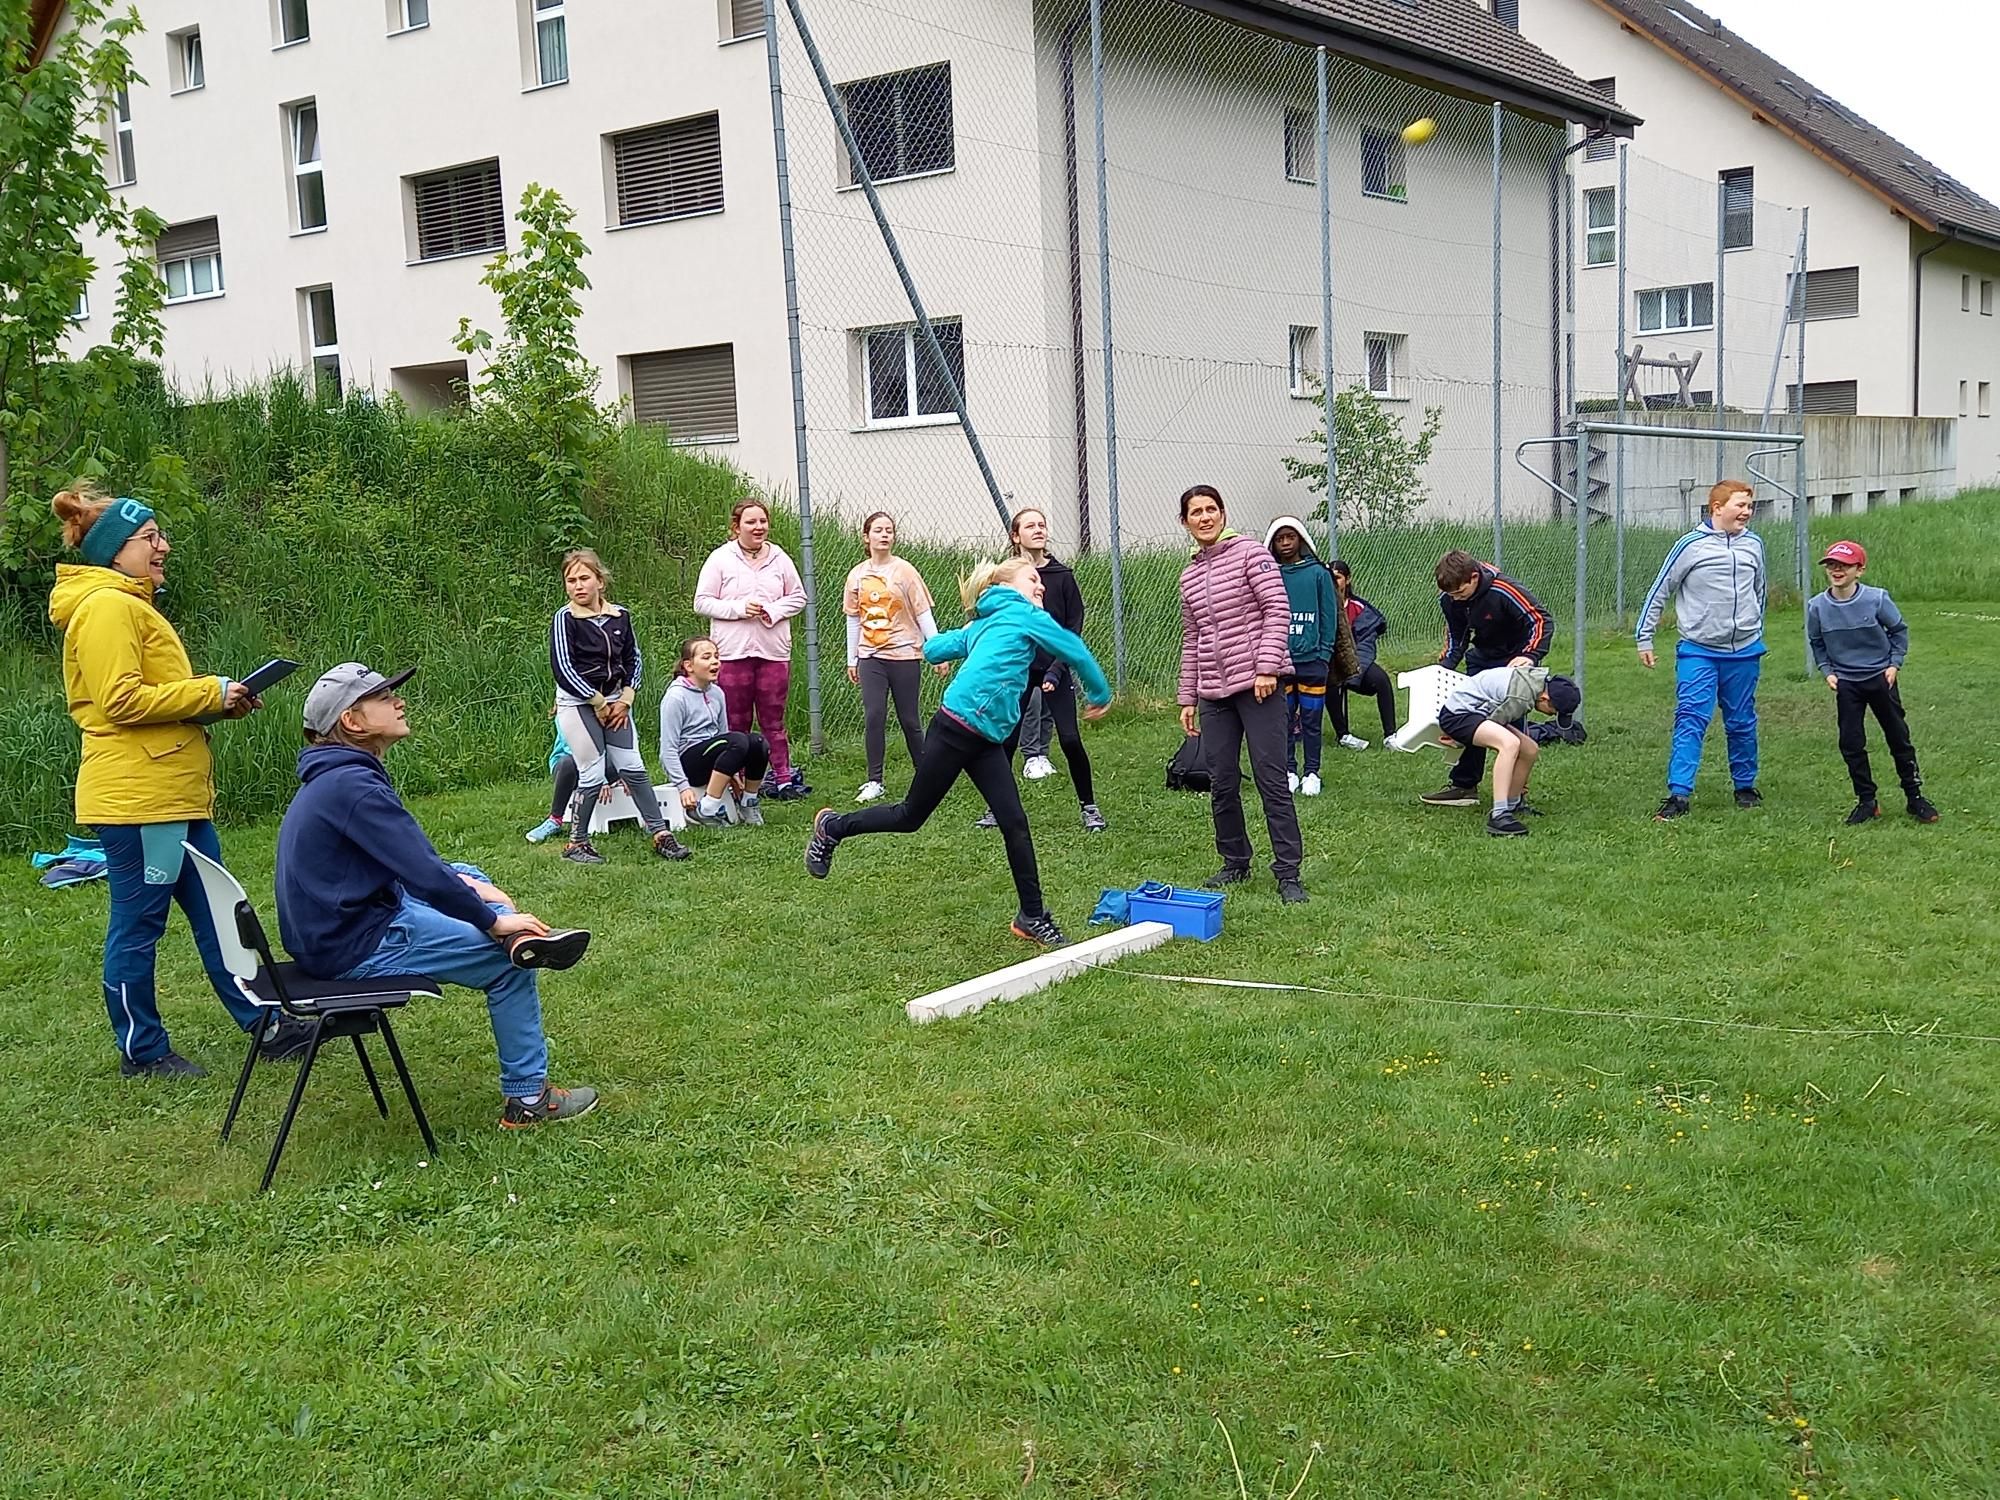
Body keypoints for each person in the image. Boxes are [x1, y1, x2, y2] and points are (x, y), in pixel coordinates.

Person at [48, 483, 311, 1079]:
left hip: (173, 795)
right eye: (150, 539)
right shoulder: (106, 608)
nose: (163, 546)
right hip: (140, 803)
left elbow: (153, 699)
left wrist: (218, 704)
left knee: (222, 913)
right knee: (139, 925)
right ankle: (142, 1051)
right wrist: (208, 690)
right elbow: (118, 701)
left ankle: (268, 1025)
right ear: (117, 552)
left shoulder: (130, 604)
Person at [276, 663, 598, 1128]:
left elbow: (413, 865)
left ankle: (506, 932)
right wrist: (491, 919)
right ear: (353, 721)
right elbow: (422, 872)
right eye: (384, 698)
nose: (399, 702)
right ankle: (529, 1098)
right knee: (509, 968)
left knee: (464, 873)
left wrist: (471, 888)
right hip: (353, 940)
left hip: (347, 920)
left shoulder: (338, 777)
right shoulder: (352, 786)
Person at [804, 556, 1112, 948]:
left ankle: (1031, 915)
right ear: (1008, 587)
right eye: (1033, 580)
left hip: (985, 739)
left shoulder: (990, 622)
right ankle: (832, 827)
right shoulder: (1022, 616)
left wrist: (963, 636)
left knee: (1014, 822)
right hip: (955, 728)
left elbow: (934, 650)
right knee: (910, 816)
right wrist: (1099, 693)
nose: (1041, 587)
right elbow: (1073, 649)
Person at [1176, 485, 1306, 901]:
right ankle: (1235, 862)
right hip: (1214, 692)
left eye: (1211, 509)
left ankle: (1288, 873)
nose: (1204, 517)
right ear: (1186, 522)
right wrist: (1188, 696)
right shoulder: (1190, 576)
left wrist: (1267, 667)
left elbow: (1277, 609)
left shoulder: (1251, 554)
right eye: (1195, 512)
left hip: (1258, 686)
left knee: (1271, 779)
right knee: (1222, 780)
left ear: (1223, 513)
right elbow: (1192, 636)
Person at [1635, 479, 1767, 821]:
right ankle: (1679, 794)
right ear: (1717, 507)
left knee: (1741, 722)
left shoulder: (1754, 544)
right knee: (1691, 719)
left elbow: (1759, 591)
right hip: (1700, 651)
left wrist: (1755, 628)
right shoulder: (1689, 546)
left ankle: (1745, 786)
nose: (1747, 512)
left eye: (1750, 506)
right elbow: (1660, 590)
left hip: (1744, 651)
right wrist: (1644, 636)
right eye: (1740, 505)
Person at [548, 548, 688, 865]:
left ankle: (660, 835)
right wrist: (597, 701)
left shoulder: (620, 616)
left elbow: (633, 658)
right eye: (570, 580)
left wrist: (626, 699)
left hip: (616, 703)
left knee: (633, 767)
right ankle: (576, 844)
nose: (577, 586)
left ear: (600, 581)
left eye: (584, 578)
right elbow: (563, 668)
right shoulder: (565, 619)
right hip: (578, 703)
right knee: (593, 772)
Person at [985, 506, 1107, 832]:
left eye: (1042, 525)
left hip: (1056, 670)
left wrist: (1055, 671)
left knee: (1069, 739)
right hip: (1020, 672)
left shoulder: (1063, 577)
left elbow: (1072, 630)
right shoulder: (1007, 580)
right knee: (1006, 740)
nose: (1038, 530)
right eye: (1030, 526)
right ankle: (996, 809)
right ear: (1015, 536)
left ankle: (1089, 808)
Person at [1807, 540, 1939, 826]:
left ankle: (1915, 797)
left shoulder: (1876, 599)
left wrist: (1894, 664)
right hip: (1847, 684)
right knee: (1851, 742)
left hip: (1880, 679)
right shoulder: (1816, 607)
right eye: (1831, 565)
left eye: (1844, 565)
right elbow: (1817, 643)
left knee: (1898, 738)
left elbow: (1899, 632)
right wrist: (1827, 670)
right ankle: (1867, 801)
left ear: (1860, 570)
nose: (1836, 570)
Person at [1420, 550, 1554, 810]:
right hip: (1481, 660)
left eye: (1460, 593)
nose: (1455, 599)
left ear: (1473, 577)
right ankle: (1464, 786)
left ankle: (1515, 798)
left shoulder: (1503, 589)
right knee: (1471, 721)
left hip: (1514, 663)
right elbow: (1457, 636)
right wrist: (1444, 668)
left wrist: (1529, 655)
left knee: (1512, 730)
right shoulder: (1449, 599)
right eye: (1451, 595)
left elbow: (1540, 619)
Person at [695, 499, 808, 798]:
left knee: (773, 719)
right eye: (751, 522)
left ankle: (783, 777)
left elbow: (798, 597)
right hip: (732, 653)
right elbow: (702, 601)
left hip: (773, 652)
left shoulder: (780, 558)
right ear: (736, 527)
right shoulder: (720, 559)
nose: (758, 528)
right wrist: (739, 608)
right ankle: (738, 780)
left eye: (762, 522)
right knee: (736, 720)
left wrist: (773, 610)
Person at [842, 511, 945, 803]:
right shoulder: (857, 575)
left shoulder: (905, 571)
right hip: (871, 656)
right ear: (866, 537)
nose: (884, 535)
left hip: (904, 654)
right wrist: (853, 658)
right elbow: (853, 618)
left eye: (889, 530)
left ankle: (926, 777)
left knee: (909, 718)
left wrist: (937, 651)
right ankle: (874, 780)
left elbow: (923, 612)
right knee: (874, 715)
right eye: (878, 530)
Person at [1436, 665, 1581, 837]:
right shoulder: (1520, 696)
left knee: (1530, 749)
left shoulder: (1534, 683)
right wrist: (1459, 738)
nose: (1551, 716)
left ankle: (1514, 803)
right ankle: (1499, 814)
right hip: (1458, 716)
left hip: (1478, 713)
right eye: (1554, 711)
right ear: (1544, 697)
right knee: (1509, 744)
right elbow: (1494, 725)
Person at [1264, 516, 1339, 798]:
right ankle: (1289, 771)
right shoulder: (1269, 574)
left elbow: (1328, 616)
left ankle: (1312, 772)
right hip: (1280, 661)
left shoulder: (1318, 573)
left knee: (1311, 718)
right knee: (1283, 719)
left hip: (1312, 661)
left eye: (1290, 537)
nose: (1285, 543)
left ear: (1301, 540)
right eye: (1279, 538)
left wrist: (1323, 654)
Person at [660, 636, 770, 827]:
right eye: (706, 657)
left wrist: (733, 775)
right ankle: (706, 809)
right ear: (689, 666)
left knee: (757, 742)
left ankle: (748, 802)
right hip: (689, 763)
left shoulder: (717, 693)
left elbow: (723, 737)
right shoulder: (676, 697)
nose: (714, 662)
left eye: (716, 656)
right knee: (738, 740)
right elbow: (667, 750)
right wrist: (683, 787)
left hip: (714, 758)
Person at [1330, 559, 1396, 749]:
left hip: (1357, 661)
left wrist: (1352, 669)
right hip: (1329, 663)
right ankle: (1343, 735)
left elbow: (1366, 643)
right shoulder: (1322, 605)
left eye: (1338, 577)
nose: (1335, 582)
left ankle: (1390, 736)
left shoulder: (1360, 609)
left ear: (1348, 580)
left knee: (1381, 679)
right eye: (1331, 578)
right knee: (1330, 680)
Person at [524, 722, 579, 844]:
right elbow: (571, 747)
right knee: (567, 763)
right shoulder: (566, 708)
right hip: (571, 762)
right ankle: (555, 820)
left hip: (602, 761)